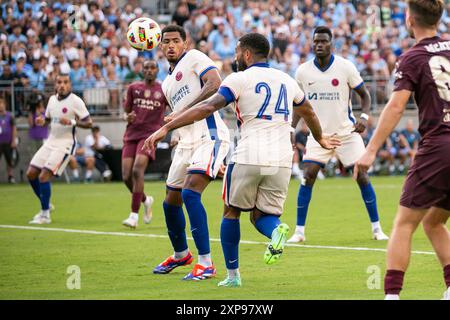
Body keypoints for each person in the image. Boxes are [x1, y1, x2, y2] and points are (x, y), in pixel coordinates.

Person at [144, 33, 340, 287]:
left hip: (249, 153)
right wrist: (320, 138)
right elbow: (308, 111)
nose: (235, 57)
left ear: (246, 54)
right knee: (261, 216)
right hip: (281, 158)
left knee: (231, 212)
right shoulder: (286, 80)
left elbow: (207, 107)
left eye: (237, 52)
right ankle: (276, 232)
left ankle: (233, 276)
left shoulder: (240, 78)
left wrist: (165, 128)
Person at [355, 0, 450, 300]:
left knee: (404, 223)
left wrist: (370, 150)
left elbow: (396, 106)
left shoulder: (412, 57)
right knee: (433, 220)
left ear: (409, 19)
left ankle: (392, 296)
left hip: (439, 147)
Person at [288, 26, 389, 243]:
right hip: (319, 135)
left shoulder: (345, 67)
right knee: (308, 175)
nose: (319, 45)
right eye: (316, 41)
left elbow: (365, 96)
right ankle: (299, 232)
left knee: (361, 175)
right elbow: (298, 105)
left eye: (323, 41)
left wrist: (364, 117)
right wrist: (290, 128)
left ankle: (377, 228)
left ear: (331, 44)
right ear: (312, 44)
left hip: (347, 133)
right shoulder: (303, 72)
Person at [148, 25, 230, 281]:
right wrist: (175, 131)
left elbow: (215, 84)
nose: (171, 45)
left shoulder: (194, 57)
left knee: (190, 193)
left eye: (175, 41)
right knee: (170, 201)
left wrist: (180, 114)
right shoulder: (167, 84)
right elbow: (178, 114)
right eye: (166, 42)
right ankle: (181, 254)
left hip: (210, 135)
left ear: (185, 43)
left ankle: (206, 263)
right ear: (160, 46)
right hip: (186, 142)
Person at [27, 74, 92, 224]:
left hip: (66, 143)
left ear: (70, 85)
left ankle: (45, 215)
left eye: (65, 82)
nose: (62, 85)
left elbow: (89, 123)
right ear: (55, 84)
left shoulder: (76, 101)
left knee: (43, 176)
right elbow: (48, 120)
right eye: (59, 82)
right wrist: (42, 121)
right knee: (31, 174)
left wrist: (71, 122)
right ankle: (46, 203)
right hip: (51, 141)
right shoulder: (51, 100)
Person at [121, 60, 169, 228]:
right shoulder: (133, 88)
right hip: (131, 134)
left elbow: (175, 110)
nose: (149, 70)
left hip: (149, 136)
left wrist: (168, 128)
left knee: (137, 170)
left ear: (157, 70)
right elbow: (126, 112)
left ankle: (133, 216)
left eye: (152, 68)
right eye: (146, 68)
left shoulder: (164, 90)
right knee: (126, 176)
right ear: (142, 70)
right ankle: (146, 200)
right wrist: (127, 117)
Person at [0, 98, 17, 183]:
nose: (0, 105)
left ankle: (10, 176)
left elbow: (14, 128)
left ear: (4, 105)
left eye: (1, 103)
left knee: (9, 160)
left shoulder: (10, 116)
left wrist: (13, 140)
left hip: (8, 142)